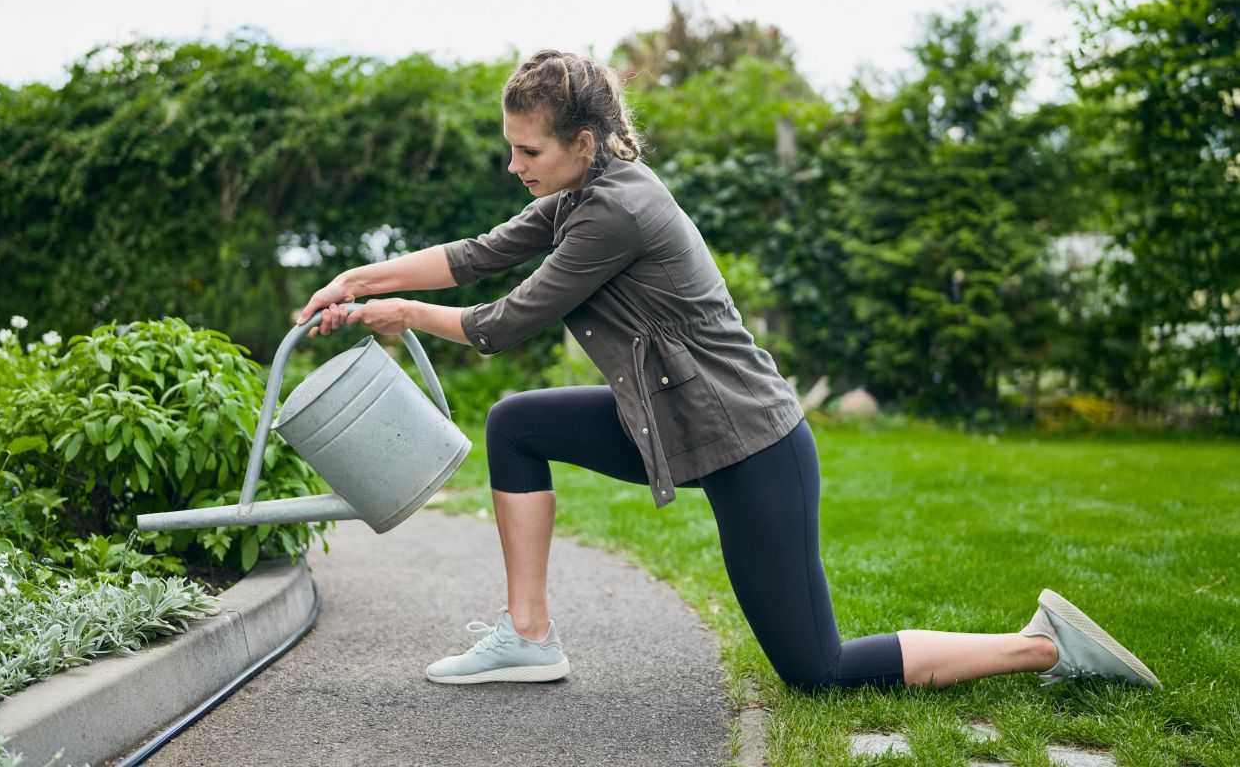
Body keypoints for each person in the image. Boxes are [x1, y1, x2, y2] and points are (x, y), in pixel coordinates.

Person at [296, 50, 1160, 691]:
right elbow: (477, 256)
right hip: (667, 426)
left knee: (816, 670)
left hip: (748, 442)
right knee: (516, 426)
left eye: (528, 152)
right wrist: (356, 280)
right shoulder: (576, 195)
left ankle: (1041, 644)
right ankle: (529, 636)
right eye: (510, 149)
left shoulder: (618, 212)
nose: (513, 168)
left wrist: (396, 314)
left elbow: (504, 322)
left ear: (584, 142)